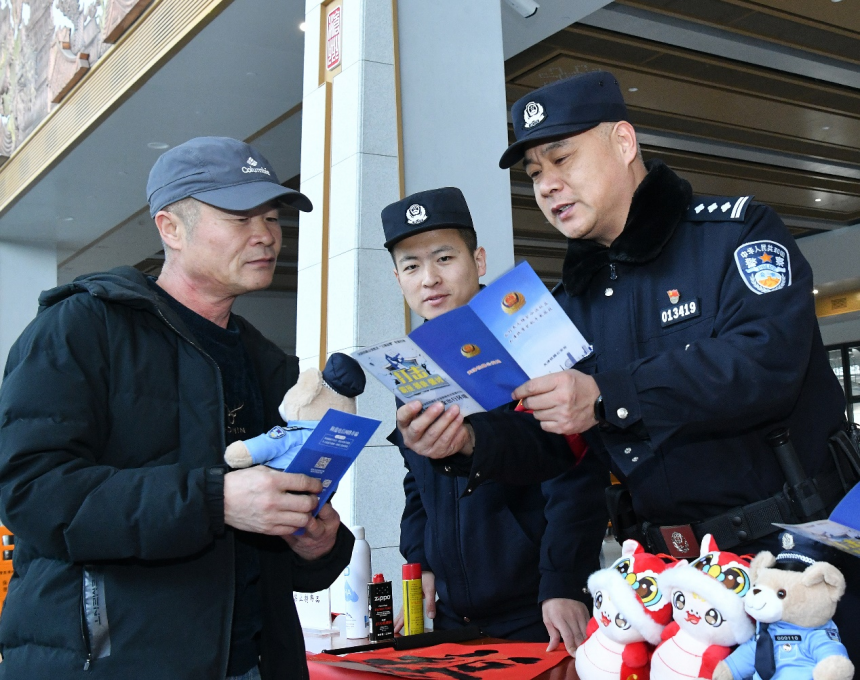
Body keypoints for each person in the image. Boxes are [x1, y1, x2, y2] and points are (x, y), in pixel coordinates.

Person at [397, 71, 860, 661]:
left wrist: (607, 395)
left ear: (623, 142)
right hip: (665, 585)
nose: (548, 186)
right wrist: (467, 441)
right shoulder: (568, 304)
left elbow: (766, 362)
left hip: (789, 566)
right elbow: (556, 444)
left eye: (562, 159)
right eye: (536, 173)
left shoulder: (731, 234)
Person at [0, 136, 355, 679]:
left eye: (272, 217)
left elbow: (268, 540)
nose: (266, 235)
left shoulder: (266, 363)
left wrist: (319, 545)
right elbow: (31, 491)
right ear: (171, 228)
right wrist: (213, 500)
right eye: (240, 216)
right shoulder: (81, 328)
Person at [383, 187, 607, 653]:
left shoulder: (529, 337)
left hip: (537, 611)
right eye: (411, 266)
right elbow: (417, 481)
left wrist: (563, 581)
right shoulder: (413, 365)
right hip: (449, 616)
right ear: (398, 278)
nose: (429, 279)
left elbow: (577, 471)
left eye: (444, 258)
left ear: (479, 261)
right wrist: (419, 561)